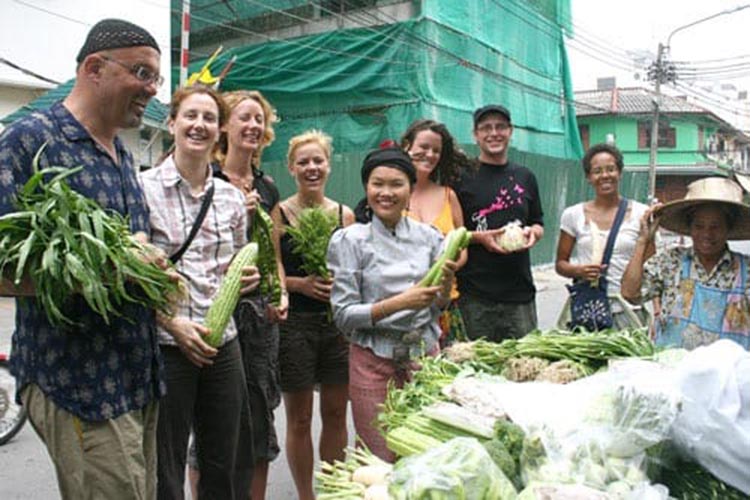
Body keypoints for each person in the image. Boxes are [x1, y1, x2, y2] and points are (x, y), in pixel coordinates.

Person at [0, 19, 163, 499]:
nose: (152, 90)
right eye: (142, 73)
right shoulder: (29, 141)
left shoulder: (124, 156)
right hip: (77, 381)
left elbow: (130, 256)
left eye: (156, 79)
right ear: (95, 67)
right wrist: (97, 275)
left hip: (137, 376)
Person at [140, 85, 259, 499]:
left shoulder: (229, 197)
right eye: (190, 115)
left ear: (220, 130)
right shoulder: (143, 189)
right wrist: (173, 324)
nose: (199, 125)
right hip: (168, 343)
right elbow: (135, 277)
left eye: (209, 118)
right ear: (172, 123)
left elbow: (232, 271)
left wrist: (249, 281)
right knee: (165, 461)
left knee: (224, 458)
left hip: (223, 343)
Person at [328, 147, 455, 461]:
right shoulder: (350, 241)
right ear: (366, 188)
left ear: (411, 189)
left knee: (426, 452)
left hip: (422, 356)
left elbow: (438, 306)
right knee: (379, 455)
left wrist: (447, 284)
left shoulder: (431, 238)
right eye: (377, 184)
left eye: (396, 184)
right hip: (372, 359)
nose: (386, 192)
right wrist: (400, 302)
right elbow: (343, 316)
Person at [196, 89, 288, 500]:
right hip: (218, 313)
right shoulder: (205, 179)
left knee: (259, 416)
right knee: (214, 421)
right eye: (244, 118)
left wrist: (281, 291)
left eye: (259, 120)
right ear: (224, 126)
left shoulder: (268, 186)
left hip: (262, 320)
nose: (253, 126)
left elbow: (275, 252)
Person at [276, 130, 354, 500]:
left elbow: (356, 273)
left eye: (318, 160)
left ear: (328, 165)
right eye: (303, 161)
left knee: (337, 414)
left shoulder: (344, 215)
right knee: (301, 418)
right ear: (292, 168)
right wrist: (300, 285)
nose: (312, 167)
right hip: (295, 327)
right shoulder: (279, 214)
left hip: (336, 325)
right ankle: (306, 494)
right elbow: (272, 273)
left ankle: (333, 491)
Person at [621, 177, 750, 350]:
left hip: (729, 375)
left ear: (728, 228)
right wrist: (643, 240)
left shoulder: (746, 270)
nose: (707, 234)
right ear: (689, 228)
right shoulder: (671, 261)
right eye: (699, 226)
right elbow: (629, 292)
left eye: (715, 226)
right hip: (674, 372)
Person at [453, 104, 544, 341]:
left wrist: (534, 232)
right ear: (476, 134)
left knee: (525, 366)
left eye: (500, 127)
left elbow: (537, 221)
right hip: (474, 295)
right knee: (478, 370)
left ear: (510, 131)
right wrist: (478, 238)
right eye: (486, 128)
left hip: (519, 293)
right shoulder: (461, 176)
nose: (494, 133)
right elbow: (451, 232)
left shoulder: (525, 176)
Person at [555, 143, 653, 329]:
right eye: (597, 171)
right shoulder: (573, 215)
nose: (605, 176)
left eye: (611, 169)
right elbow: (560, 264)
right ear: (588, 177)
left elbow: (651, 266)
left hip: (628, 311)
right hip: (589, 310)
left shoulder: (642, 214)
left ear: (620, 173)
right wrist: (579, 271)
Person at [401, 119, 471, 346]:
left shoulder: (448, 195)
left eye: (436, 150)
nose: (430, 154)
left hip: (445, 305)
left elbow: (462, 249)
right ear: (406, 146)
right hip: (402, 306)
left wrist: (445, 268)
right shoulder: (391, 195)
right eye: (423, 147)